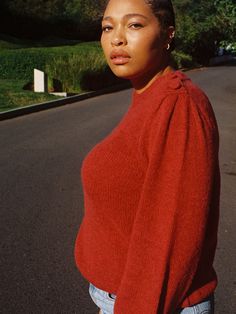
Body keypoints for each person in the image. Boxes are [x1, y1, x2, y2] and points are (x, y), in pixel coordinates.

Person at [74, 0, 220, 313]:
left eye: (135, 24)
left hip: (152, 303)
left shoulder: (177, 105)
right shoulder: (148, 94)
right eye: (108, 27)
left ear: (168, 34)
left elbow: (171, 238)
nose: (117, 38)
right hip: (122, 297)